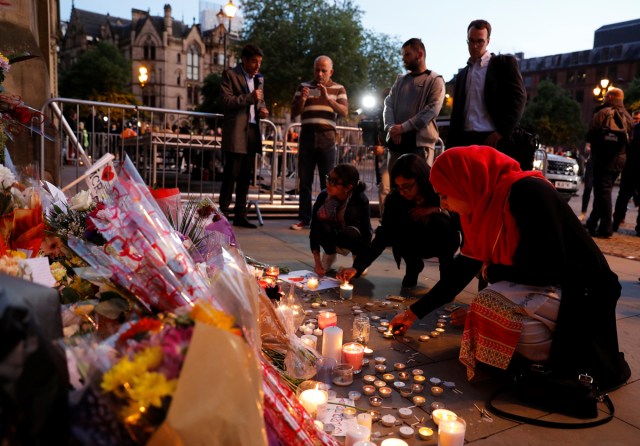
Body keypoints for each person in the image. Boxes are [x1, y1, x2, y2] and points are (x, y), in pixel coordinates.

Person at [389, 146, 630, 390]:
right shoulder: (479, 209)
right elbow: (462, 270)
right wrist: (413, 313)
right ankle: (542, 347)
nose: (443, 204)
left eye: (445, 195)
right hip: (546, 289)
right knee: (487, 310)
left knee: (488, 305)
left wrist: (491, 272)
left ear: (465, 182)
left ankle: (566, 352)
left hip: (582, 292)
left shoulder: (528, 192)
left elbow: (549, 268)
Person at [338, 154, 460, 293]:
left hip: (440, 239)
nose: (403, 192)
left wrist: (437, 210)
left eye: (407, 186)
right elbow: (383, 236)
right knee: (398, 229)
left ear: (420, 179)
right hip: (413, 242)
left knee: (442, 223)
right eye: (399, 187)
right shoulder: (396, 199)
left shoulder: (437, 191)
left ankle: (446, 281)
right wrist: (357, 267)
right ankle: (413, 266)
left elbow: (459, 217)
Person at [447, 20, 527, 163]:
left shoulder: (503, 65)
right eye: (471, 41)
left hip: (491, 138)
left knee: (489, 184)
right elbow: (457, 113)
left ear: (488, 41)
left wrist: (502, 131)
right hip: (464, 139)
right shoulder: (463, 74)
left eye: (480, 41)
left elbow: (519, 98)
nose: (475, 46)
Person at [290, 55, 349, 230]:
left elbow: (344, 111)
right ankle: (304, 218)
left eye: (324, 70)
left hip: (327, 137)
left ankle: (327, 217)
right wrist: (302, 100)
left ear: (331, 71)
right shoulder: (304, 87)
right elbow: (294, 112)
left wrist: (328, 98)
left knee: (329, 182)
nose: (320, 73)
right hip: (307, 136)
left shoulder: (339, 88)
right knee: (305, 180)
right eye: (317, 69)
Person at [218, 44, 269, 229]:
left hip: (253, 131)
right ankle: (223, 215)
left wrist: (263, 110)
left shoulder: (259, 79)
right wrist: (250, 98)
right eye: (254, 61)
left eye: (260, 62)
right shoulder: (230, 75)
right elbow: (225, 101)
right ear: (245, 60)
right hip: (236, 133)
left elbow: (259, 101)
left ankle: (241, 215)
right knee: (231, 175)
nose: (257, 66)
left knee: (246, 177)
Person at [384, 39, 444, 170]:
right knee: (395, 187)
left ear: (420, 55)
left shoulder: (435, 80)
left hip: (420, 146)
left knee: (419, 186)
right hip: (396, 145)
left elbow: (432, 109)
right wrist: (392, 127)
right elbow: (388, 103)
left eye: (407, 54)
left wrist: (403, 128)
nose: (403, 59)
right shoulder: (400, 80)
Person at [585, 88, 634, 238]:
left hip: (603, 158)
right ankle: (592, 223)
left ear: (611, 97)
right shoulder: (628, 116)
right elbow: (629, 140)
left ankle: (606, 227)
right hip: (619, 160)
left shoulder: (603, 113)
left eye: (606, 96)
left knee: (603, 193)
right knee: (604, 191)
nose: (604, 98)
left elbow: (590, 134)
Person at [309, 164, 372, 276]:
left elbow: (367, 233)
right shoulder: (324, 196)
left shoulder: (360, 200)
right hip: (333, 233)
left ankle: (356, 257)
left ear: (348, 187)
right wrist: (317, 263)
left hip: (350, 237)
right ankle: (329, 254)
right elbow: (314, 230)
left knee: (351, 232)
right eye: (328, 178)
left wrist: (359, 265)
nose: (327, 184)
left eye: (333, 181)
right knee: (320, 226)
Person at [612, 110, 640, 235]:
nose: (635, 120)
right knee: (623, 197)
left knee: (623, 197)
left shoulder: (632, 130)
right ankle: (617, 221)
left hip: (630, 167)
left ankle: (615, 223)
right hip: (630, 167)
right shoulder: (632, 129)